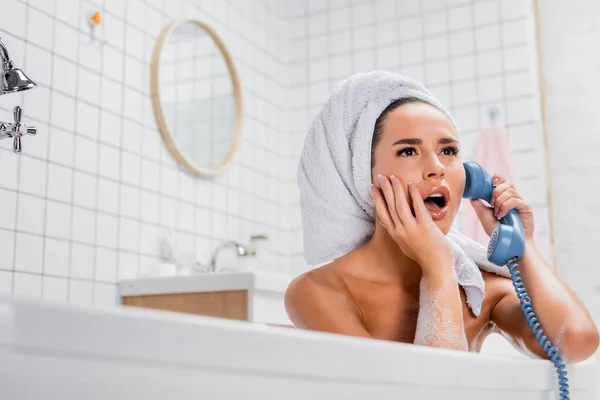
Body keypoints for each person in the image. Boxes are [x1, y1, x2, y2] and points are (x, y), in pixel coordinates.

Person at [285, 71, 599, 363]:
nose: (437, 167)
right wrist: (436, 267)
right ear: (362, 177)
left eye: (448, 151)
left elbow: (576, 342)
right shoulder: (320, 291)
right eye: (408, 151)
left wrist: (524, 247)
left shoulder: (478, 290)